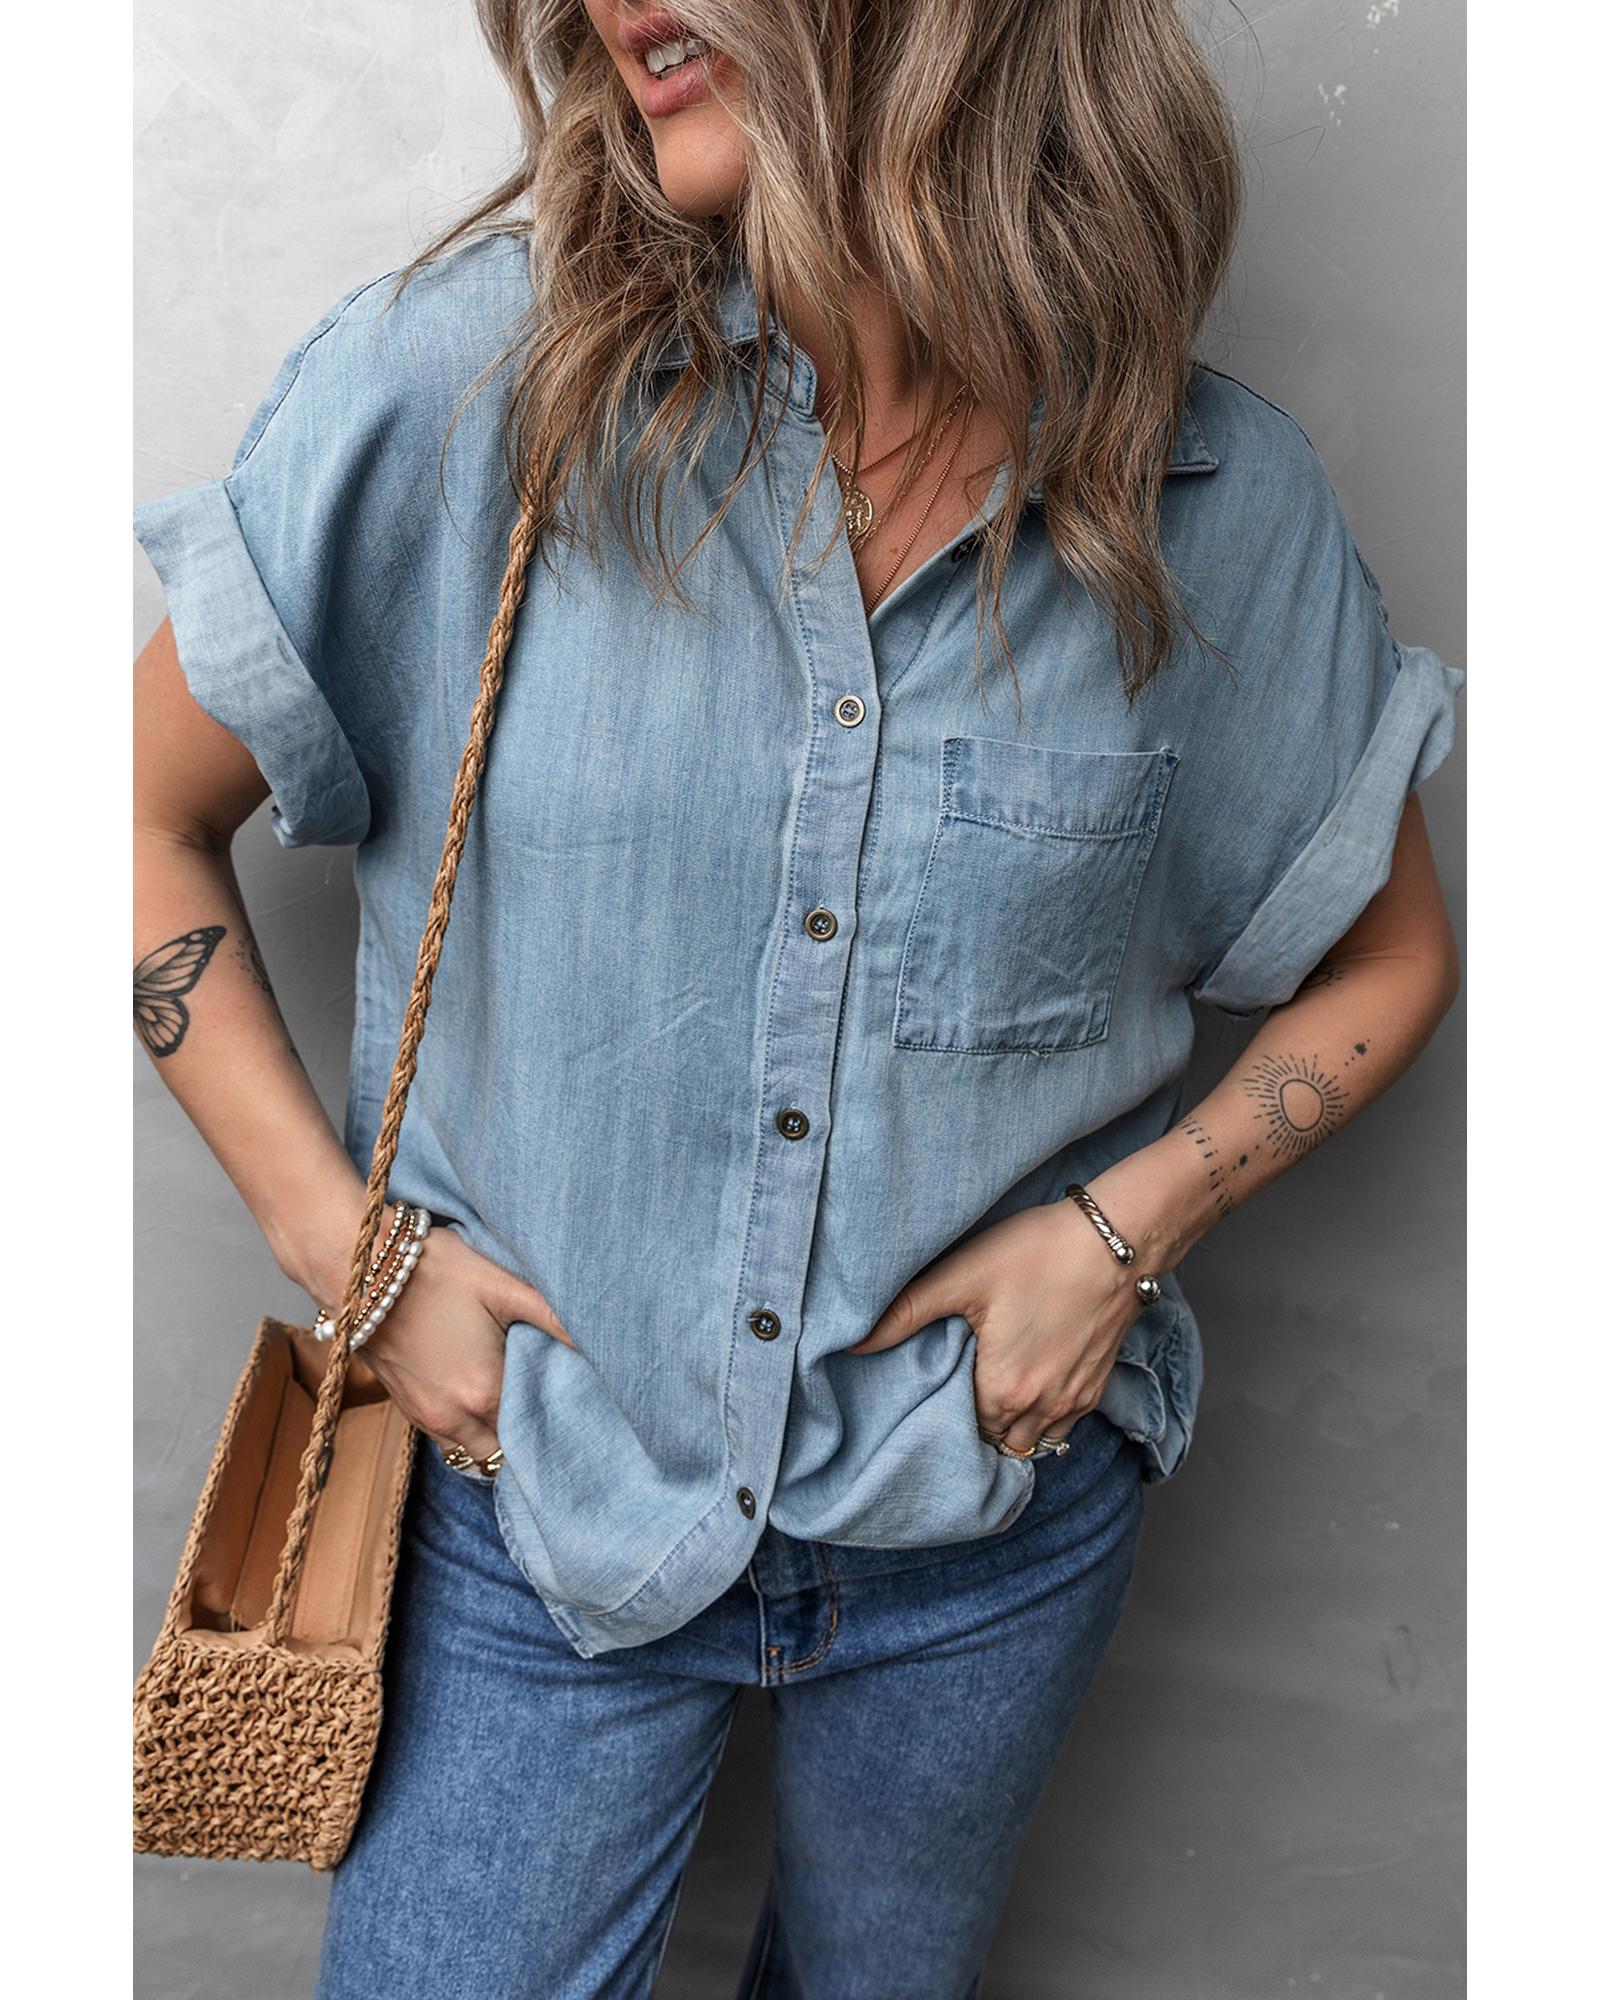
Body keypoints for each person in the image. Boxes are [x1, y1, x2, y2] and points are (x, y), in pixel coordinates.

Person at [132, 4, 1463, 1995]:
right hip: (532, 1502)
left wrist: (1119, 1237)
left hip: (983, 1530)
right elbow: (130, 817)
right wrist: (356, 1257)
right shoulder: (474, 389)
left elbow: (1387, 956)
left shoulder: (1207, 497)